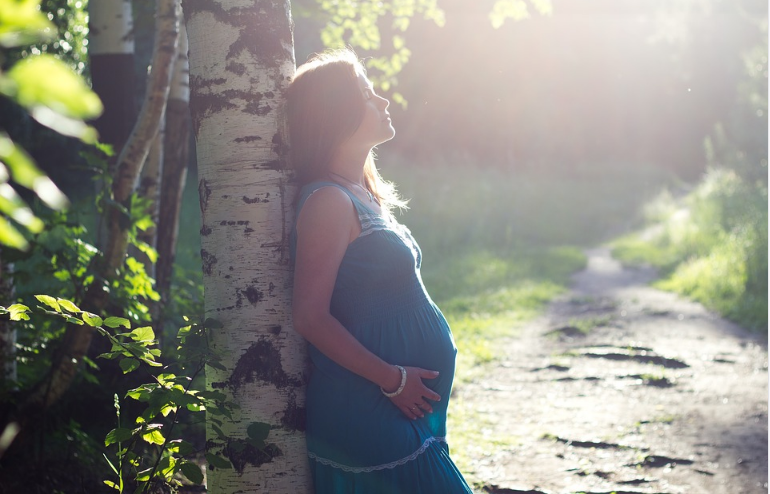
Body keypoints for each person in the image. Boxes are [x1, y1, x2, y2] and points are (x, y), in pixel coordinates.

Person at [288, 49, 472, 494]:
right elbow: (309, 316)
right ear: (337, 114)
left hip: (399, 410)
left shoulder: (361, 193)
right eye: (368, 95)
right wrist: (394, 380)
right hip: (369, 408)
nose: (384, 102)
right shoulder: (328, 202)